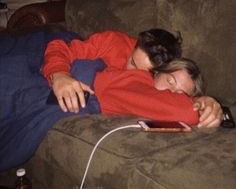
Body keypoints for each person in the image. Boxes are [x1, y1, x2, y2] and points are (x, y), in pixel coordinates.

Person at [41, 29, 223, 128]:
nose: (131, 70)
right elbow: (60, 48)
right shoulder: (113, 42)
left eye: (178, 93)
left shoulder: (148, 85)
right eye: (133, 62)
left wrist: (203, 102)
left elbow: (180, 106)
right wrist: (59, 75)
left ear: (156, 72)